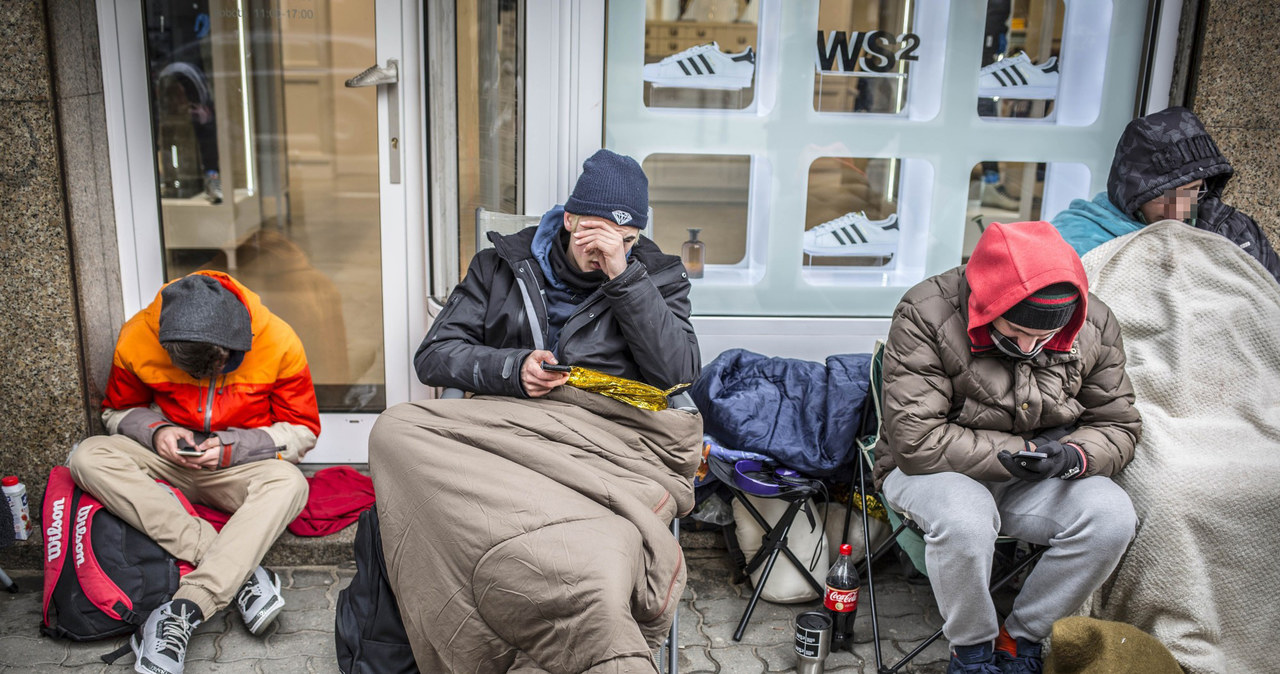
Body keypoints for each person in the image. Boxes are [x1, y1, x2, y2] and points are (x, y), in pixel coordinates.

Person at [871, 221, 1141, 674]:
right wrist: (1024, 449)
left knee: (1112, 518)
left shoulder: (1094, 322)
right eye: (1016, 331)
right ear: (987, 301)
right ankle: (972, 649)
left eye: (1045, 338)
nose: (1030, 347)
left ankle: (1022, 638)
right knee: (965, 518)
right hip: (932, 472)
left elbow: (1117, 423)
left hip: (1035, 471)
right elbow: (915, 441)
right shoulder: (926, 312)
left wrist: (1073, 457)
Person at [67, 271, 320, 674]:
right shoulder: (137, 336)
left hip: (236, 466)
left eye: (218, 366)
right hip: (167, 462)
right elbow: (114, 412)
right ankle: (240, 571)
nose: (204, 379)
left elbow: (304, 430)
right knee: (88, 456)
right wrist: (158, 431)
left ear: (238, 341)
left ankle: (185, 608)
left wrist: (232, 448)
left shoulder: (279, 339)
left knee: (289, 483)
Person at [414, 147, 700, 396]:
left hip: (606, 427)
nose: (608, 251)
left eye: (625, 240)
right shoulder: (498, 265)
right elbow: (434, 355)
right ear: (569, 220)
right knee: (396, 427)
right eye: (595, 234)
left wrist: (624, 279)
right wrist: (512, 370)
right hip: (514, 417)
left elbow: (679, 378)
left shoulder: (661, 278)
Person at [1051, 106, 1280, 284]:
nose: (1180, 209)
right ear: (1134, 192)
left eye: (1192, 191)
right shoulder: (1077, 238)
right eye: (1166, 195)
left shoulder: (1232, 231)